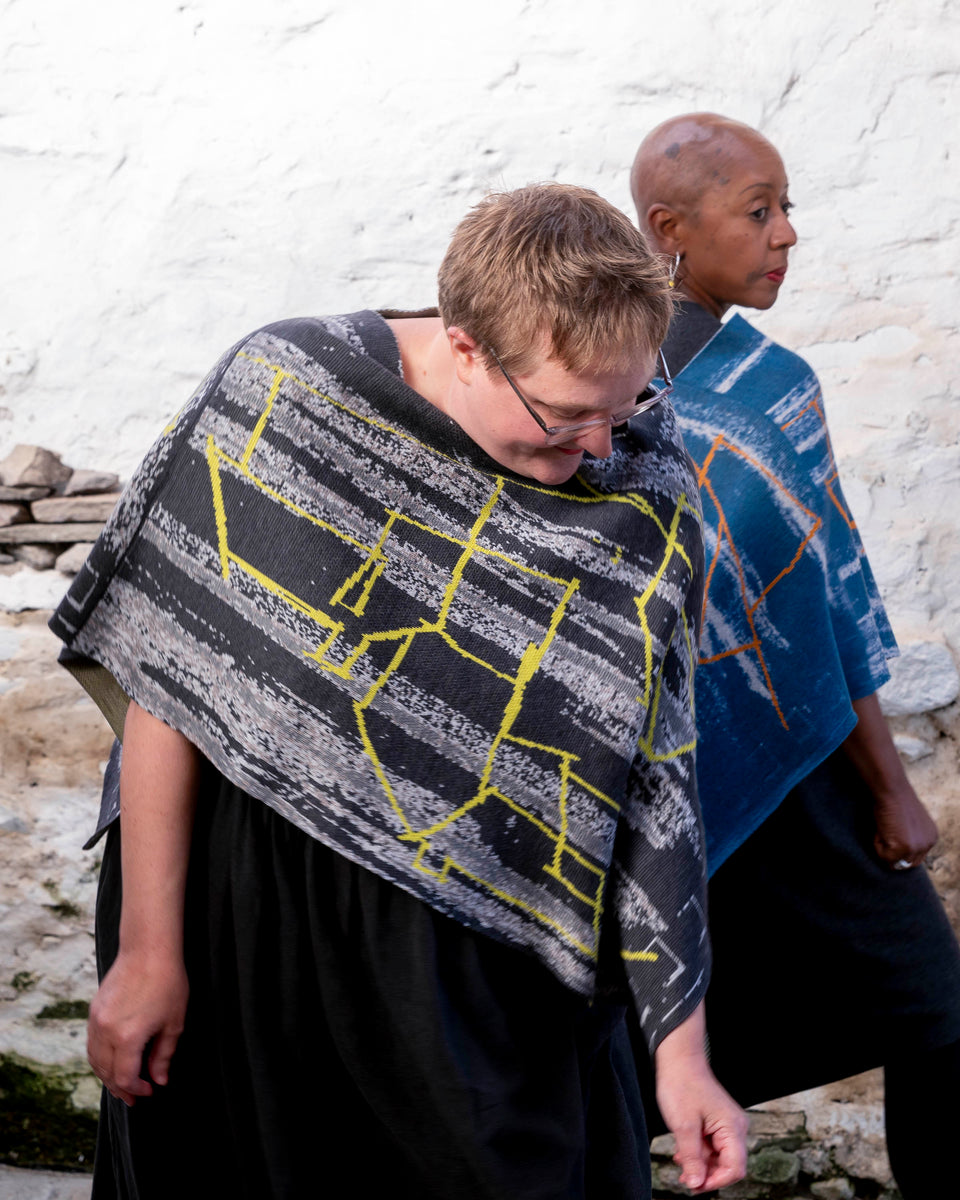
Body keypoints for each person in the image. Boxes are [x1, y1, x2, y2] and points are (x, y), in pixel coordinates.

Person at [51, 182, 747, 1200]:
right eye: (566, 415)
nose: (602, 447)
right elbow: (172, 673)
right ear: (467, 347)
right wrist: (150, 953)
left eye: (627, 404)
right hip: (248, 910)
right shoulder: (286, 395)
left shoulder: (642, 485)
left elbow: (652, 774)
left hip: (483, 961)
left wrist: (681, 1057)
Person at [629, 113, 960, 1197]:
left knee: (929, 1002)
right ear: (670, 229)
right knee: (622, 1052)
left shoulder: (774, 386)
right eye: (759, 210)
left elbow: (820, 604)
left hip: (794, 762)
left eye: (787, 209)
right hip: (646, 787)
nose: (787, 235)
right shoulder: (597, 373)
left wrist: (888, 790)